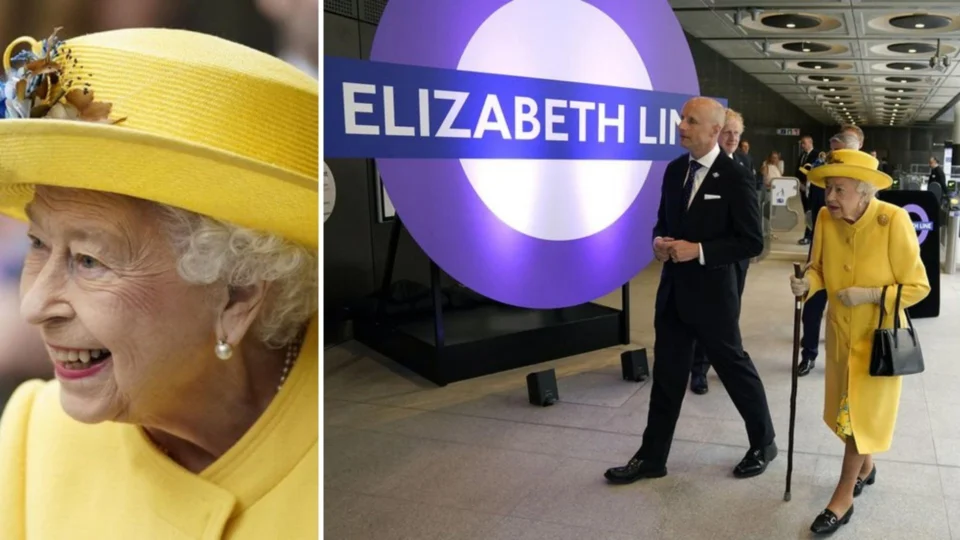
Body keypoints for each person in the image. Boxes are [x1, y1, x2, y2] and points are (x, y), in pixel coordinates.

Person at [0, 27, 319, 538]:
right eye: (38, 244)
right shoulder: (33, 438)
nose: (35, 305)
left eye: (88, 260)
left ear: (236, 293)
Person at [604, 97, 775, 484]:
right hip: (673, 294)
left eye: (691, 121)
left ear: (715, 131)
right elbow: (663, 222)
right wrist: (658, 243)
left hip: (714, 297)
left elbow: (751, 241)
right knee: (666, 376)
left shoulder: (734, 176)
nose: (682, 126)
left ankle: (763, 443)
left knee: (734, 370)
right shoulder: (674, 170)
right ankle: (652, 457)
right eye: (682, 118)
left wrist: (698, 251)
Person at [789, 149, 929, 535]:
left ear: (864, 194)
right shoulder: (824, 218)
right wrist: (807, 284)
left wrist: (869, 294)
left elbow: (919, 287)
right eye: (828, 189)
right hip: (839, 336)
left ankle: (842, 496)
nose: (830, 197)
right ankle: (866, 468)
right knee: (846, 417)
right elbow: (817, 268)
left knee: (856, 420)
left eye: (839, 190)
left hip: (877, 343)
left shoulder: (893, 220)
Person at [689, 108, 756, 395]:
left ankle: (724, 360)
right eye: (727, 132)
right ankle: (699, 369)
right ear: (717, 132)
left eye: (736, 134)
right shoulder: (702, 167)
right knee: (705, 315)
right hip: (707, 258)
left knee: (729, 314)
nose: (732, 138)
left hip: (737, 259)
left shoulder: (743, 163)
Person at [797, 127, 863, 377]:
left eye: (843, 153)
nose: (837, 159)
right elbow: (817, 208)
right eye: (835, 153)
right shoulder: (822, 175)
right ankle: (809, 354)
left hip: (855, 259)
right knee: (812, 307)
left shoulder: (868, 181)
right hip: (823, 252)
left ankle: (849, 359)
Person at [797, 135, 820, 245]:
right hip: (802, 187)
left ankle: (809, 236)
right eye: (801, 143)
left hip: (811, 187)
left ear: (810, 142)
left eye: (804, 143)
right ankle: (808, 234)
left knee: (810, 212)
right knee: (806, 211)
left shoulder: (817, 155)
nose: (802, 145)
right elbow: (798, 170)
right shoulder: (802, 155)